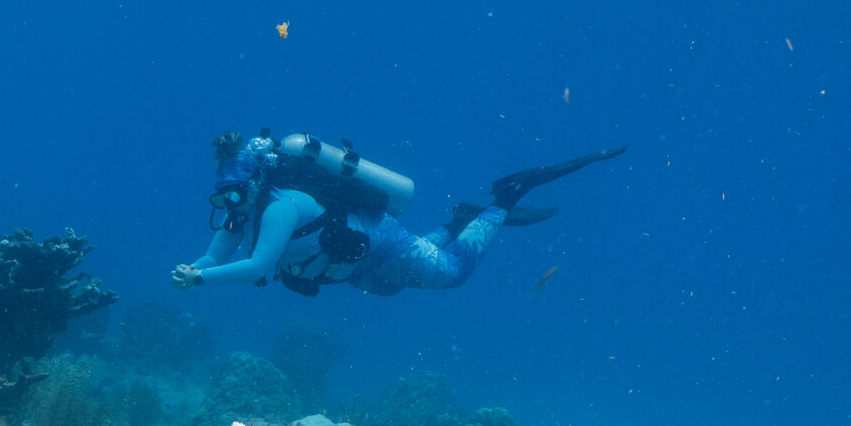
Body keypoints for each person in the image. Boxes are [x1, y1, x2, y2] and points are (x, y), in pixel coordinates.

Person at [172, 130, 624, 298]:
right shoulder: (242, 212)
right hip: (355, 264)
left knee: (452, 274)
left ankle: (504, 199)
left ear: (255, 184)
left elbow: (257, 265)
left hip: (379, 238)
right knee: (388, 288)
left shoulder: (278, 209)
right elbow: (217, 255)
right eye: (221, 197)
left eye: (233, 195)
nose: (228, 206)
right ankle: (458, 221)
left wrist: (199, 281)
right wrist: (197, 268)